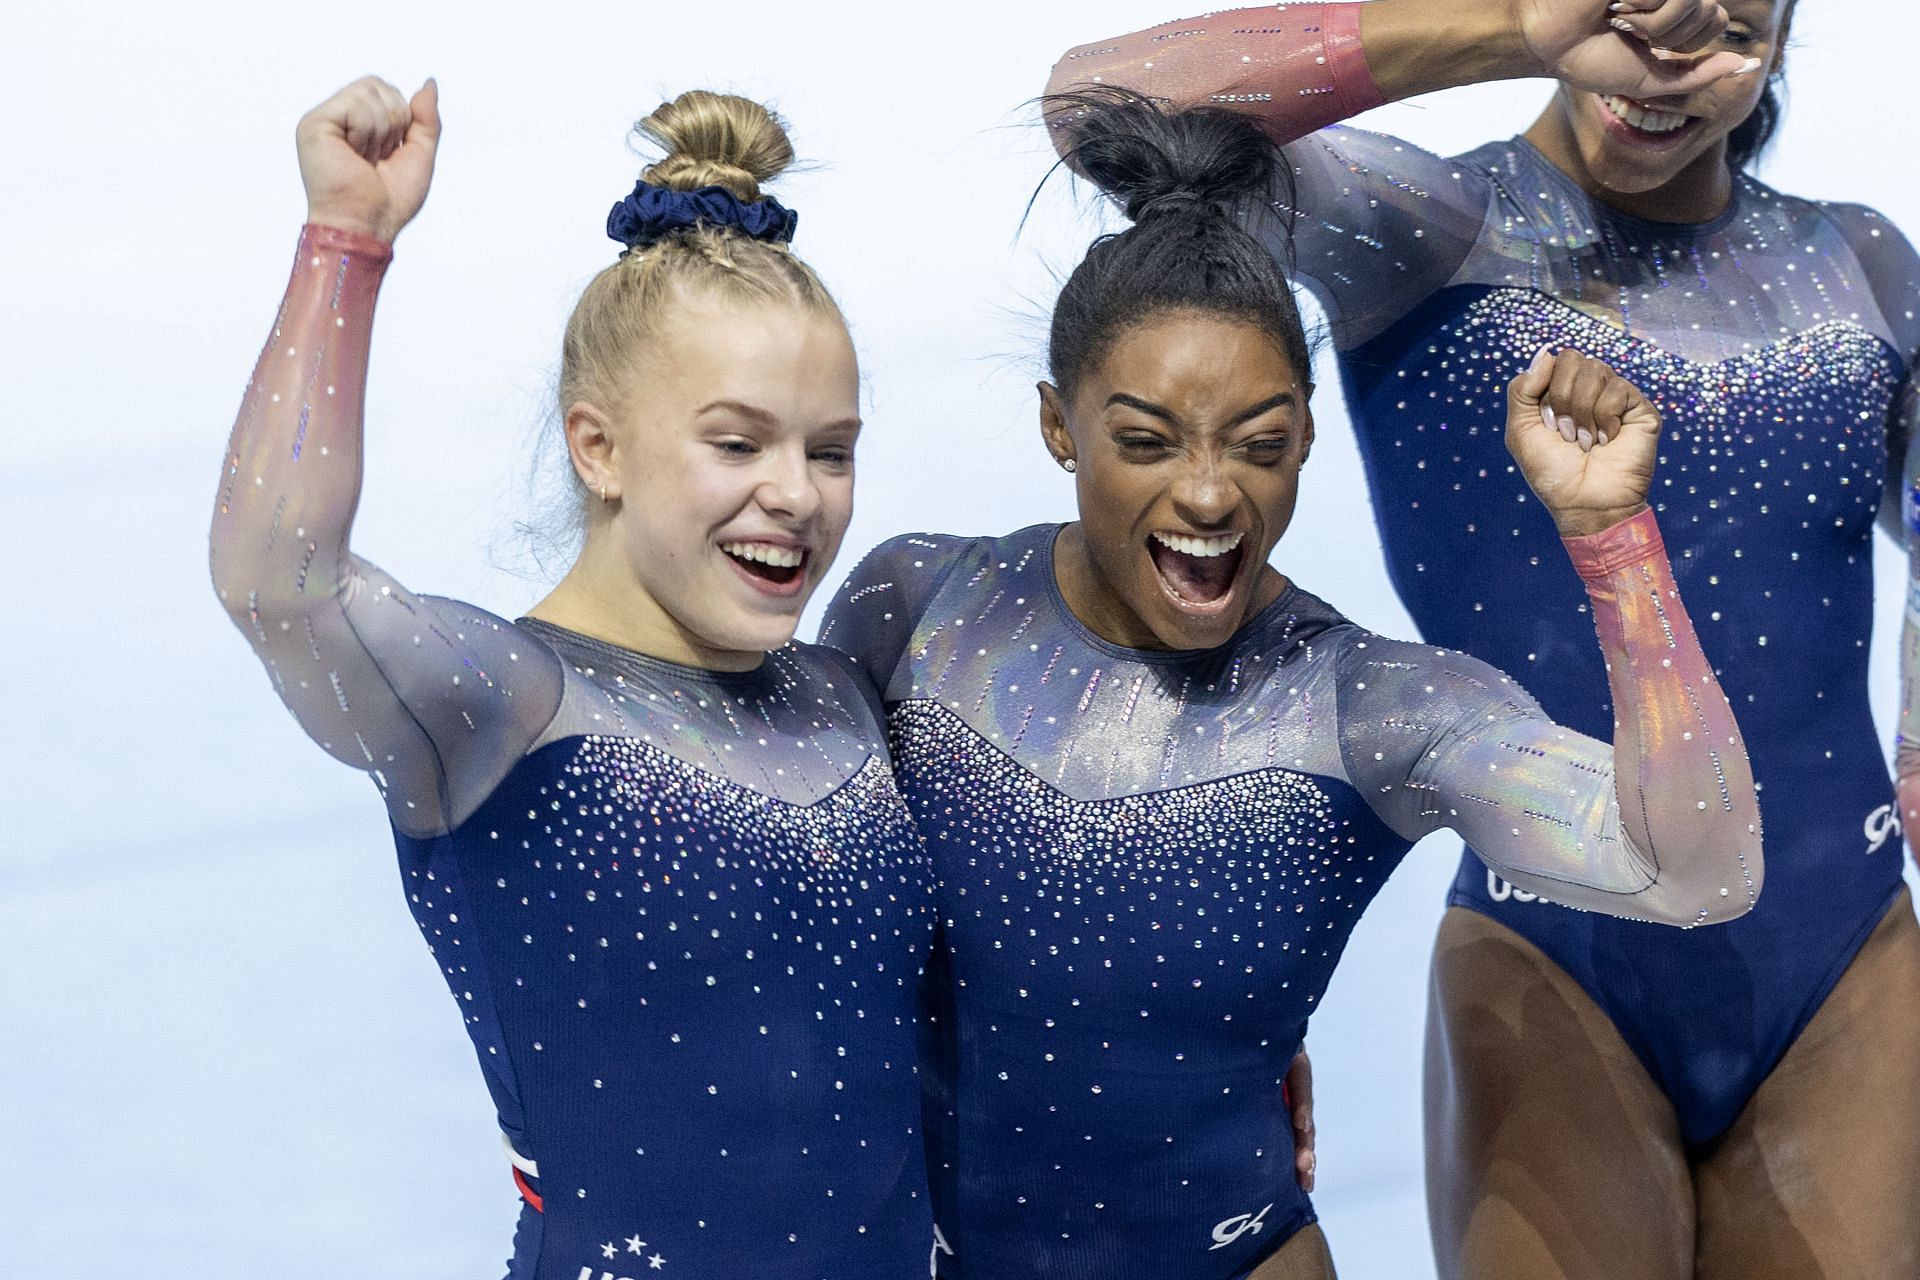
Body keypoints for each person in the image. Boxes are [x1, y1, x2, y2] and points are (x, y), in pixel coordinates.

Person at [821, 95, 1761, 1280]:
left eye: (1259, 442)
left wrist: (1615, 538)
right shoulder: (918, 606)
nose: (1211, 495)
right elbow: (793, 916)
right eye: (1149, 439)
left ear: (1308, 435)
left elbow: (1701, 871)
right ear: (1060, 426)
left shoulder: (1367, 705)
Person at [1046, 3, 1920, 1275]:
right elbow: (1103, 104)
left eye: (1726, 18)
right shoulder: (1429, 233)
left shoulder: (1863, 266)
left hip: (1844, 950)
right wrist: (1521, 26)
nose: (1667, 58)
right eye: (1634, 8)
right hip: (1555, 955)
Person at [210, 76, 937, 1278]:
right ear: (597, 444)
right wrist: (347, 242)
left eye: (832, 449)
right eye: (738, 441)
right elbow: (276, 581)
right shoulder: (501, 707)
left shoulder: (844, 694)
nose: (798, 494)